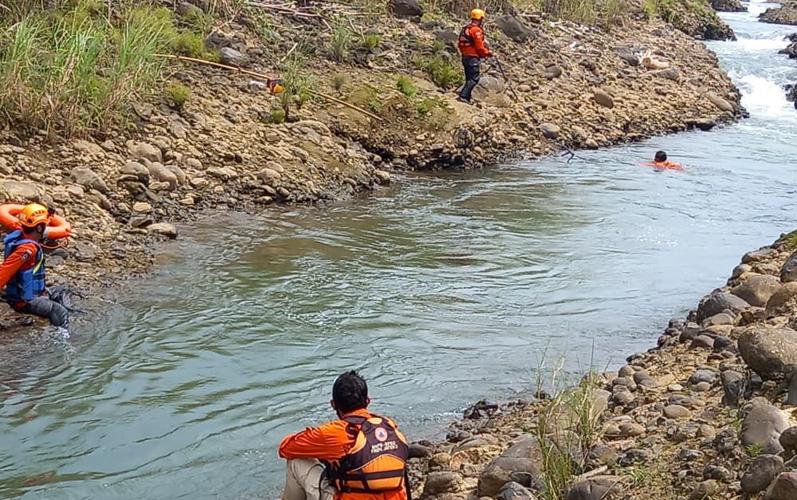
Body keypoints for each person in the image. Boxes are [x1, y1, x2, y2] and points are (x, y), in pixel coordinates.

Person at [279, 371, 410, 500]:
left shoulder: (335, 432)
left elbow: (285, 448)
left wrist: (318, 446)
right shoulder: (389, 426)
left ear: (333, 404)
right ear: (368, 401)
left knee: (296, 462)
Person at [0, 203, 69, 329]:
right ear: (38, 228)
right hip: (23, 301)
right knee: (60, 312)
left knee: (62, 291)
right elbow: (4, 272)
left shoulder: (23, 235)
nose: (46, 227)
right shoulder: (27, 249)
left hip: (34, 292)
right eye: (45, 225)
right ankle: (63, 342)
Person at [457, 8, 493, 104]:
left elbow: (460, 44)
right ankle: (463, 96)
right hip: (472, 58)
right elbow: (480, 47)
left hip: (465, 57)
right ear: (480, 19)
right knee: (474, 79)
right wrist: (488, 53)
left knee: (469, 78)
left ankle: (466, 98)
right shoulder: (476, 30)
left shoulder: (466, 29)